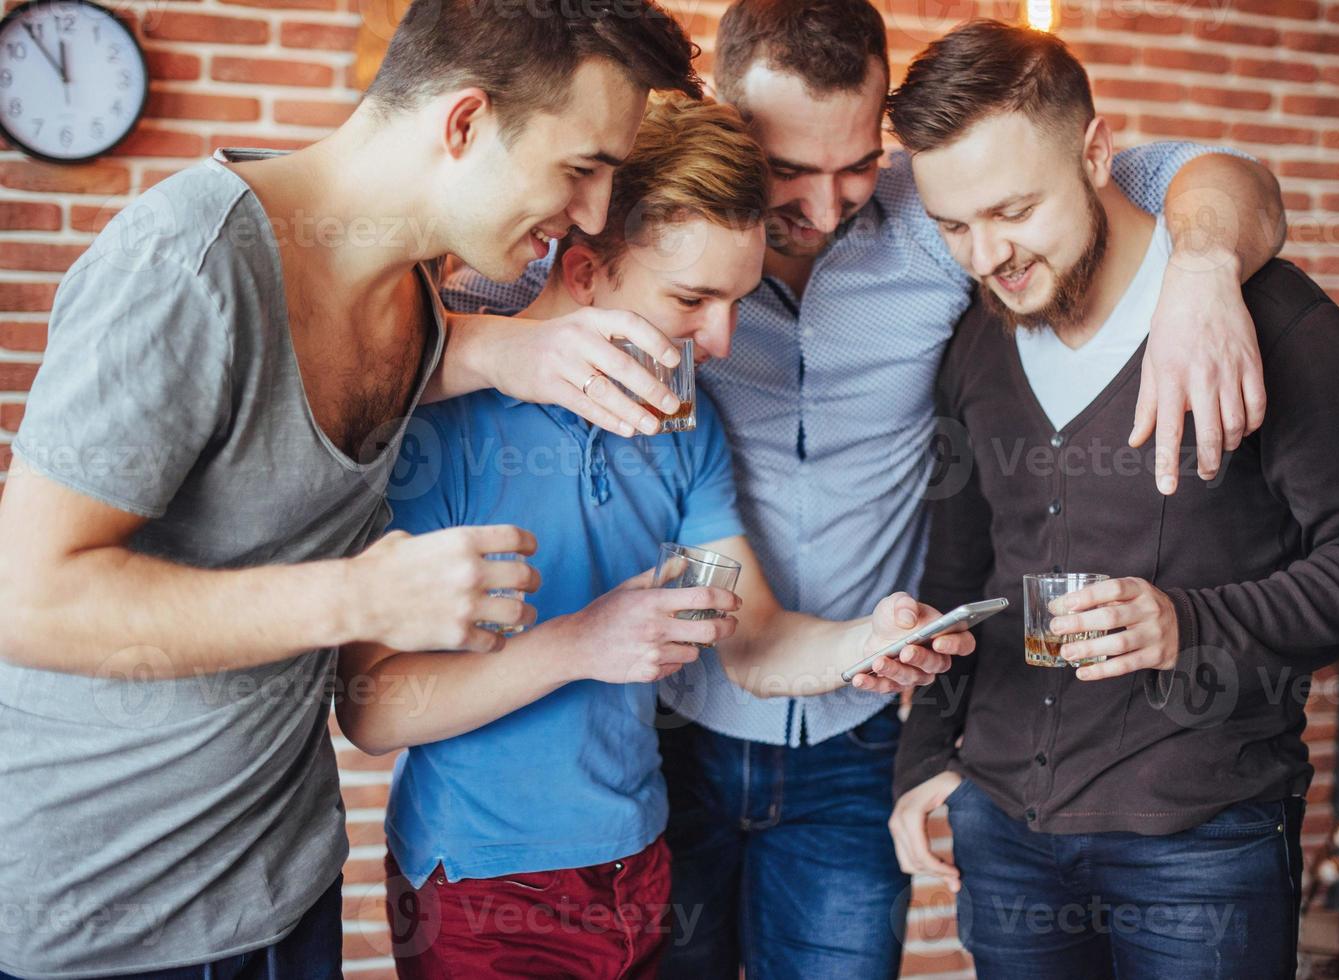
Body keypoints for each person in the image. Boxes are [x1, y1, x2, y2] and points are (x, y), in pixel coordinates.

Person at [441, 1, 1289, 974]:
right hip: (665, 726)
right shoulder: (640, 229)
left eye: (855, 159)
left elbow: (1218, 175)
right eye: (788, 167)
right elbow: (398, 330)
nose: (827, 200)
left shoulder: (938, 224)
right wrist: (491, 347)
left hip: (852, 727)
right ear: (722, 106)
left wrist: (1205, 270)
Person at [0, 3, 707, 977]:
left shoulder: (416, 288)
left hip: (283, 883)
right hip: (110, 914)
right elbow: (25, 596)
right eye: (579, 169)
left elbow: (398, 355)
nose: (589, 214)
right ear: (463, 124)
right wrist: (360, 596)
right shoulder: (188, 266)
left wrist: (512, 349)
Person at [334, 93, 975, 979]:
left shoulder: (685, 427)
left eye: (737, 302)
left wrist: (870, 640)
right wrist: (576, 643)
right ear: (587, 271)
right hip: (481, 886)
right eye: (692, 298)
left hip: (642, 866)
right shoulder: (444, 430)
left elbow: (750, 639)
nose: (717, 341)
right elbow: (370, 709)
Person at [885, 20, 1339, 979]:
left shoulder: (1270, 317)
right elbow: (959, 566)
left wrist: (1187, 624)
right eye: (953, 226)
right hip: (1004, 838)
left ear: (1098, 154)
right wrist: (926, 756)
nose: (985, 256)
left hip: (1202, 844)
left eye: (1012, 210)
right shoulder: (974, 341)